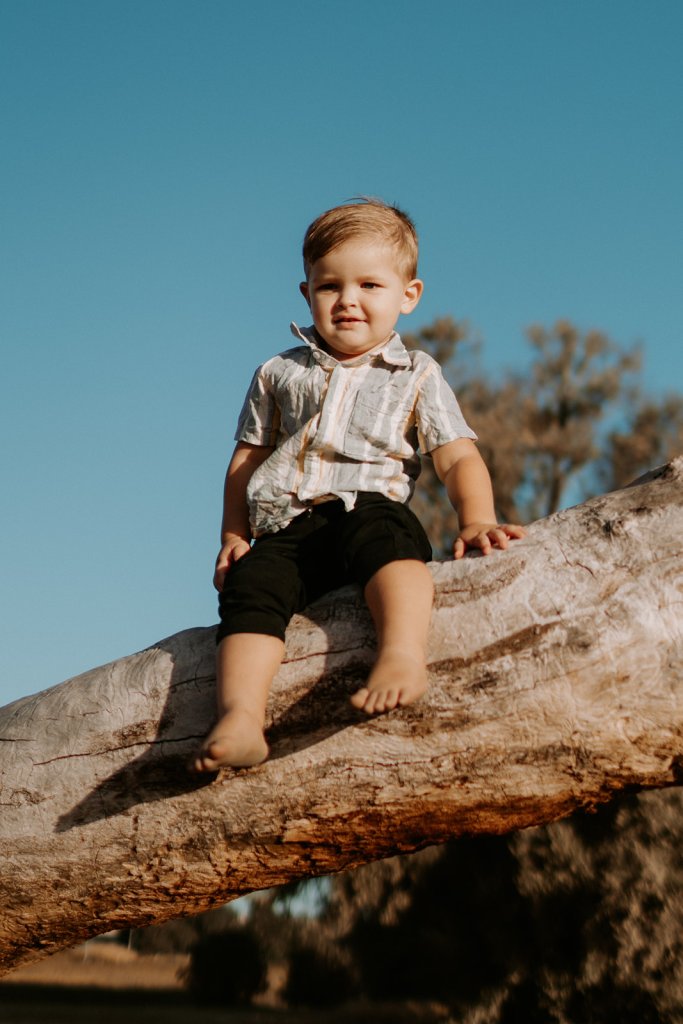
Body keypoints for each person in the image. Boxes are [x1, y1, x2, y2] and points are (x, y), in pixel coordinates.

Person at [192, 199, 525, 773]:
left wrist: (477, 519)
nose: (348, 299)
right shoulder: (278, 372)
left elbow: (457, 457)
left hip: (366, 508)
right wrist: (233, 535)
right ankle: (242, 717)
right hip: (286, 528)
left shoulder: (417, 373)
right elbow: (248, 459)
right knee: (250, 591)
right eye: (330, 286)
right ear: (307, 294)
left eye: (370, 284)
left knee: (390, 541)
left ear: (408, 295)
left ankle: (401, 655)